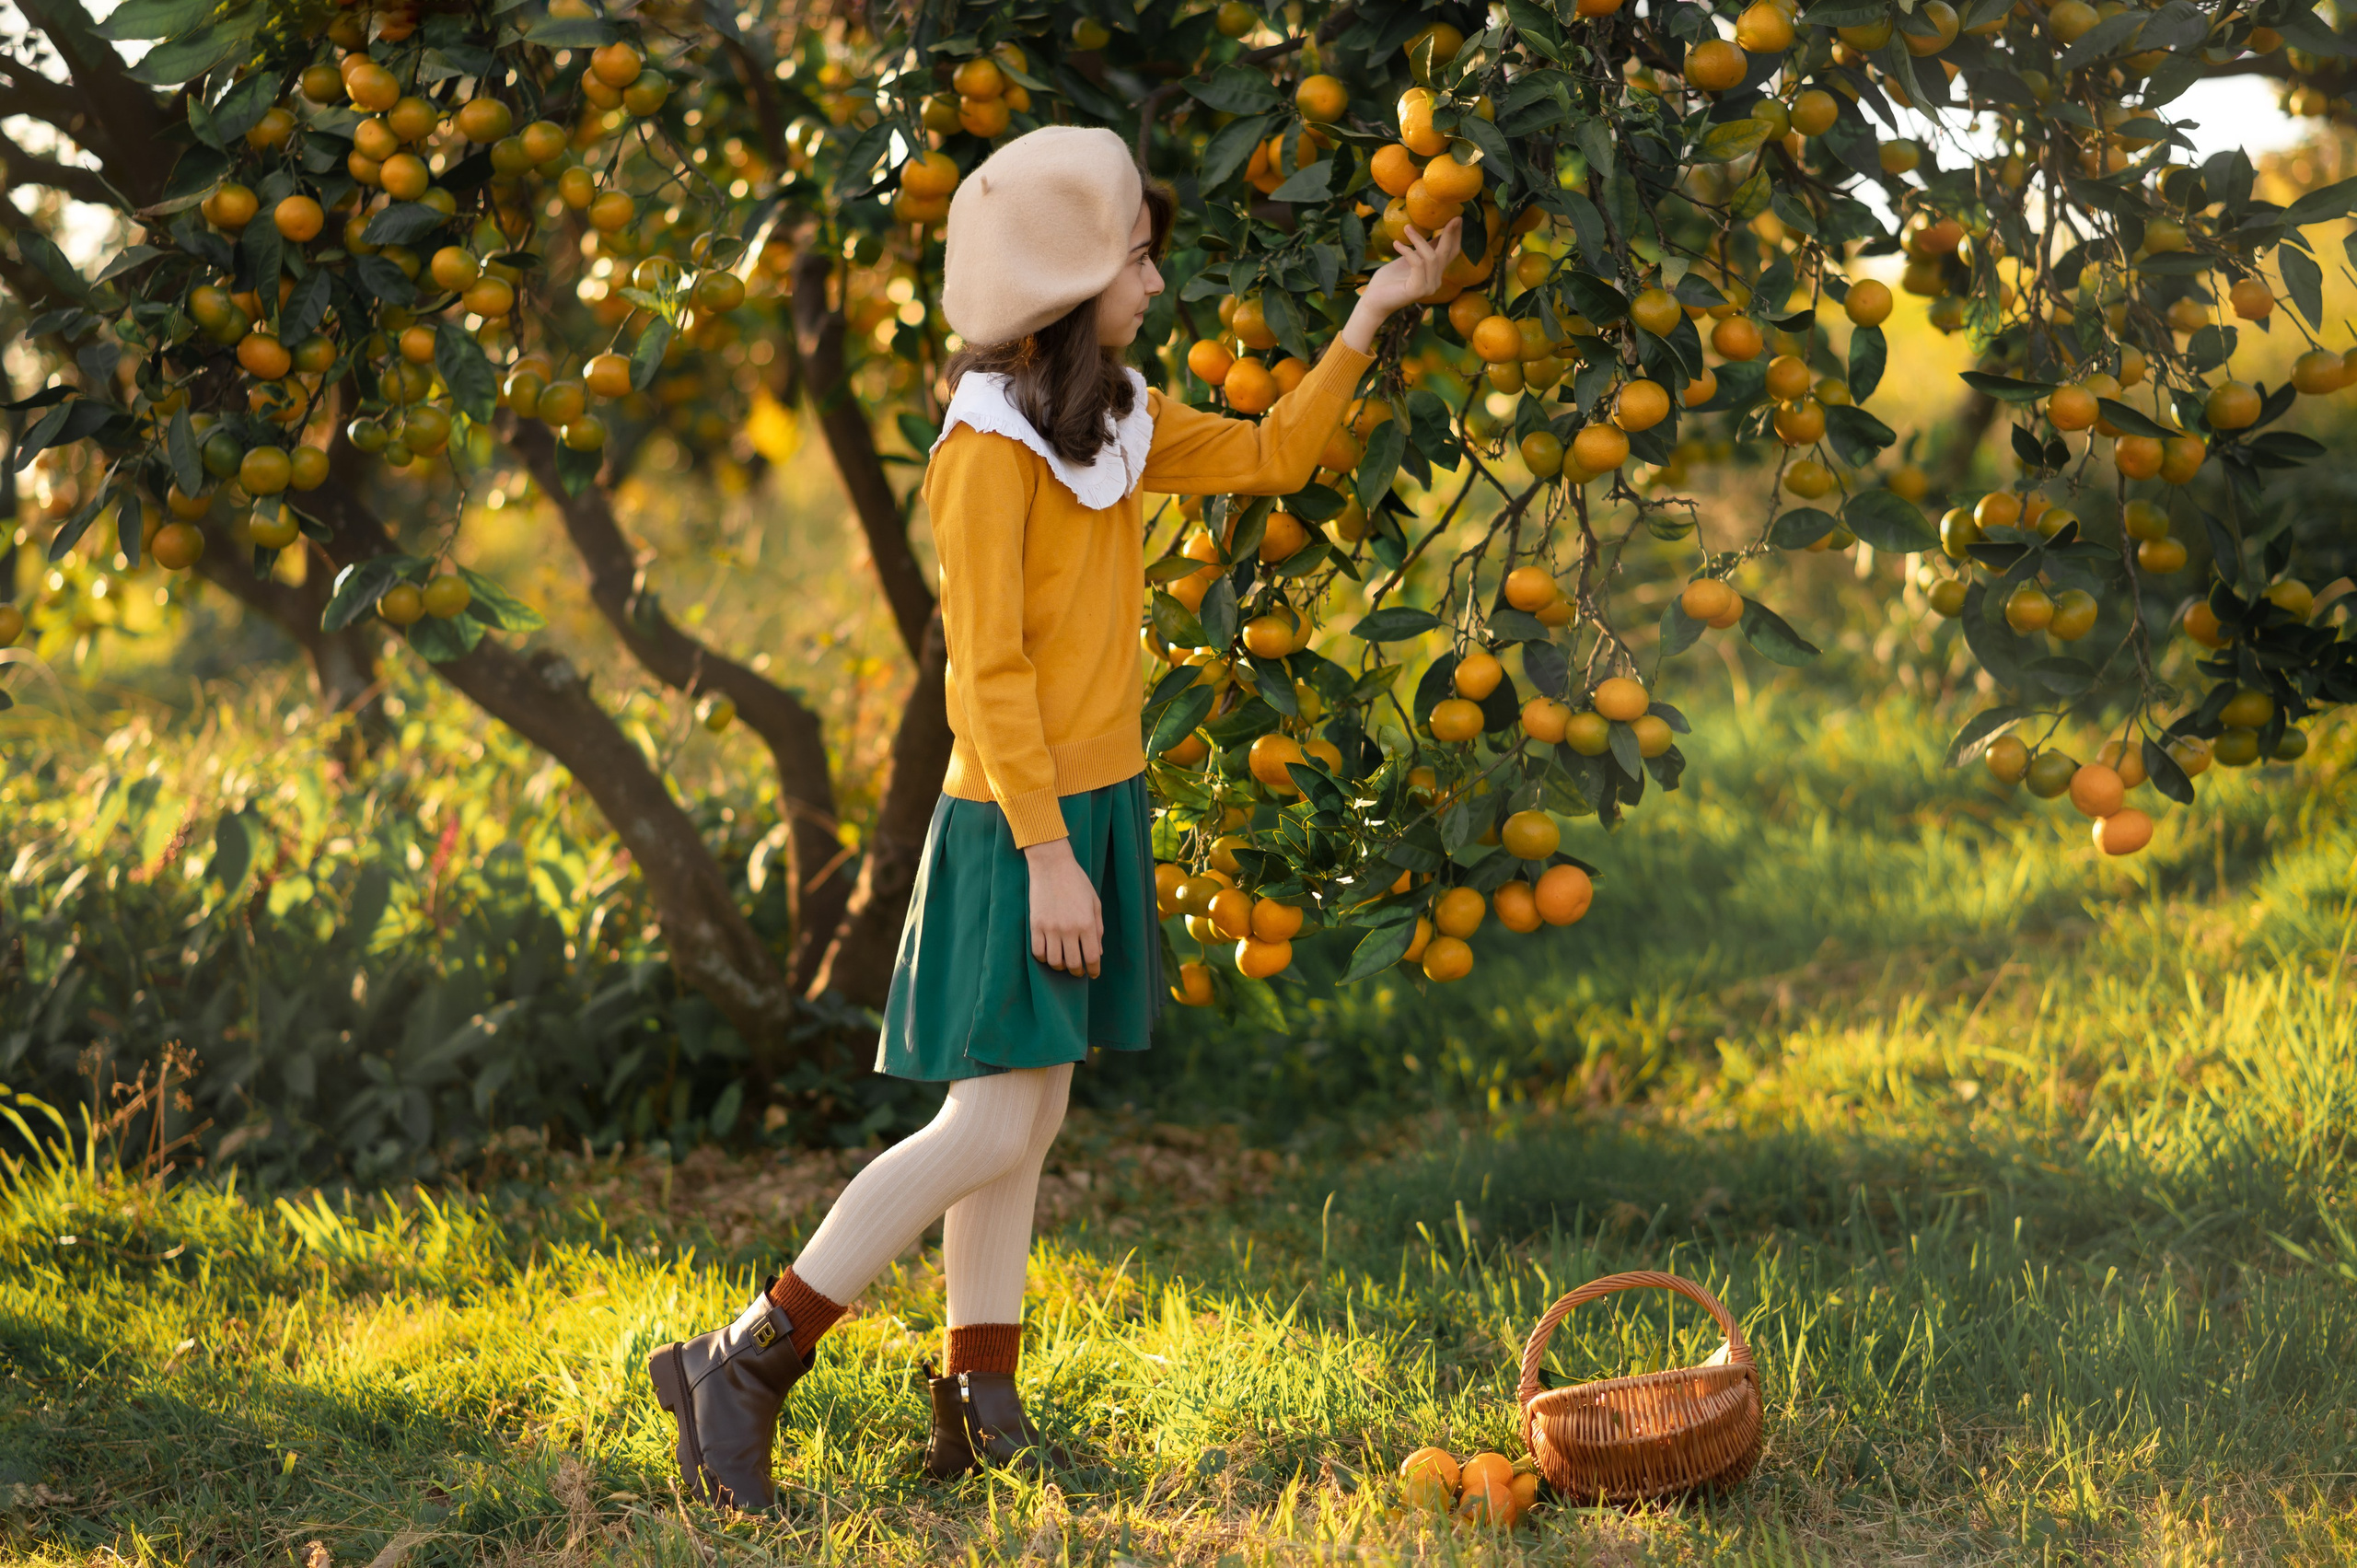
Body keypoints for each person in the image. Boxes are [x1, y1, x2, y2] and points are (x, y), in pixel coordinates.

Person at [646, 123, 1462, 1509]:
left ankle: (979, 1399)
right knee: (985, 1128)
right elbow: (987, 674)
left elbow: (1270, 458)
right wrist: (1044, 859)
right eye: (1136, 259)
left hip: (1088, 809)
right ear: (1073, 285)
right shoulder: (984, 456)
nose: (1155, 283)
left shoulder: (1111, 425)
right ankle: (746, 1358)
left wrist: (1371, 319)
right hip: (1016, 824)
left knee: (1024, 1125)